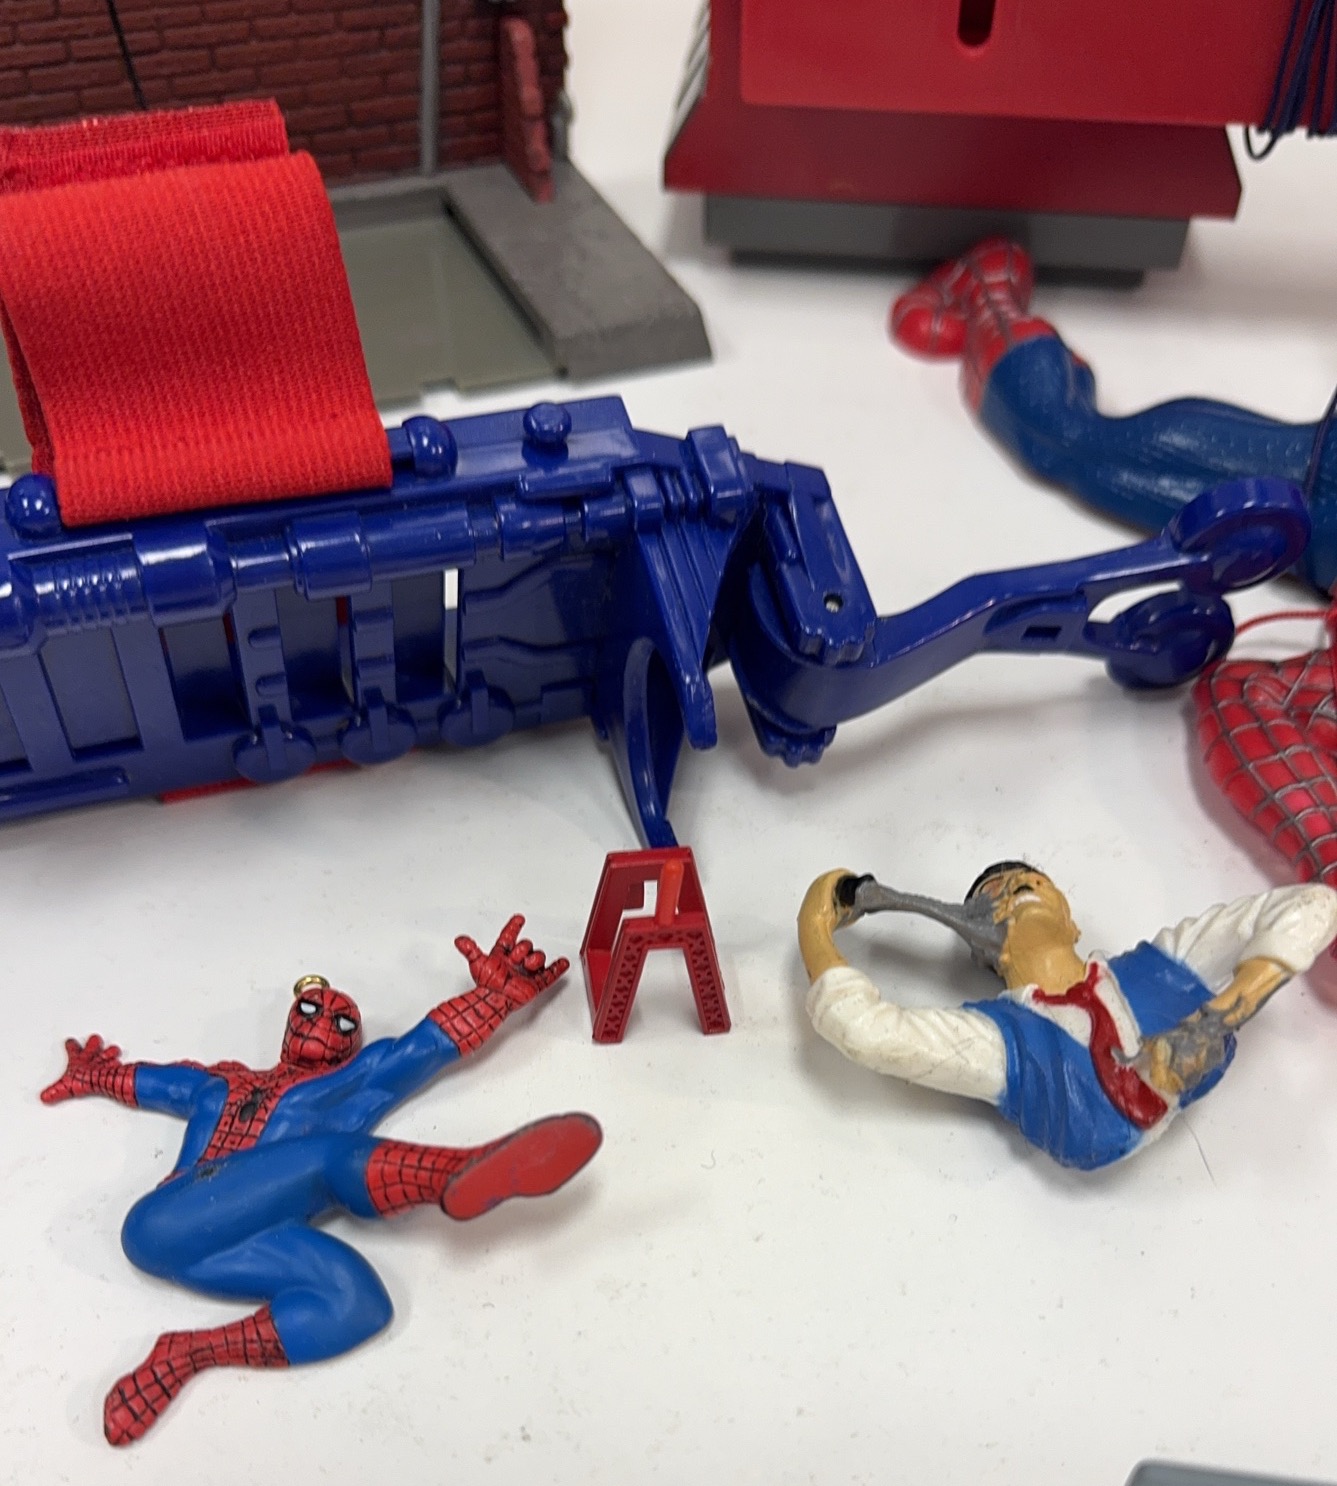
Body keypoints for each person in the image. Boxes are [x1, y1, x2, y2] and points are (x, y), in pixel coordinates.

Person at [41, 914, 601, 1447]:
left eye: (342, 1022)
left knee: (358, 1301)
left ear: (353, 1043)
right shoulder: (221, 1084)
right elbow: (154, 1081)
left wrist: (495, 998)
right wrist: (92, 1074)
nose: (323, 1023)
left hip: (227, 1249)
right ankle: (453, 1173)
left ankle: (185, 1355)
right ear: (290, 1021)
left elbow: (421, 1048)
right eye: (311, 1008)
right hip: (161, 1222)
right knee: (329, 1156)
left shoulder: (350, 1087)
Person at [798, 863, 1337, 1170]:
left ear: (1070, 921)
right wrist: (814, 928)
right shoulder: (1004, 1042)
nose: (1007, 898)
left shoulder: (1161, 968)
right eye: (991, 901)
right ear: (987, 955)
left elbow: (1312, 905)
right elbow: (867, 1031)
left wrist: (1220, 1015)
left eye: (1027, 886)